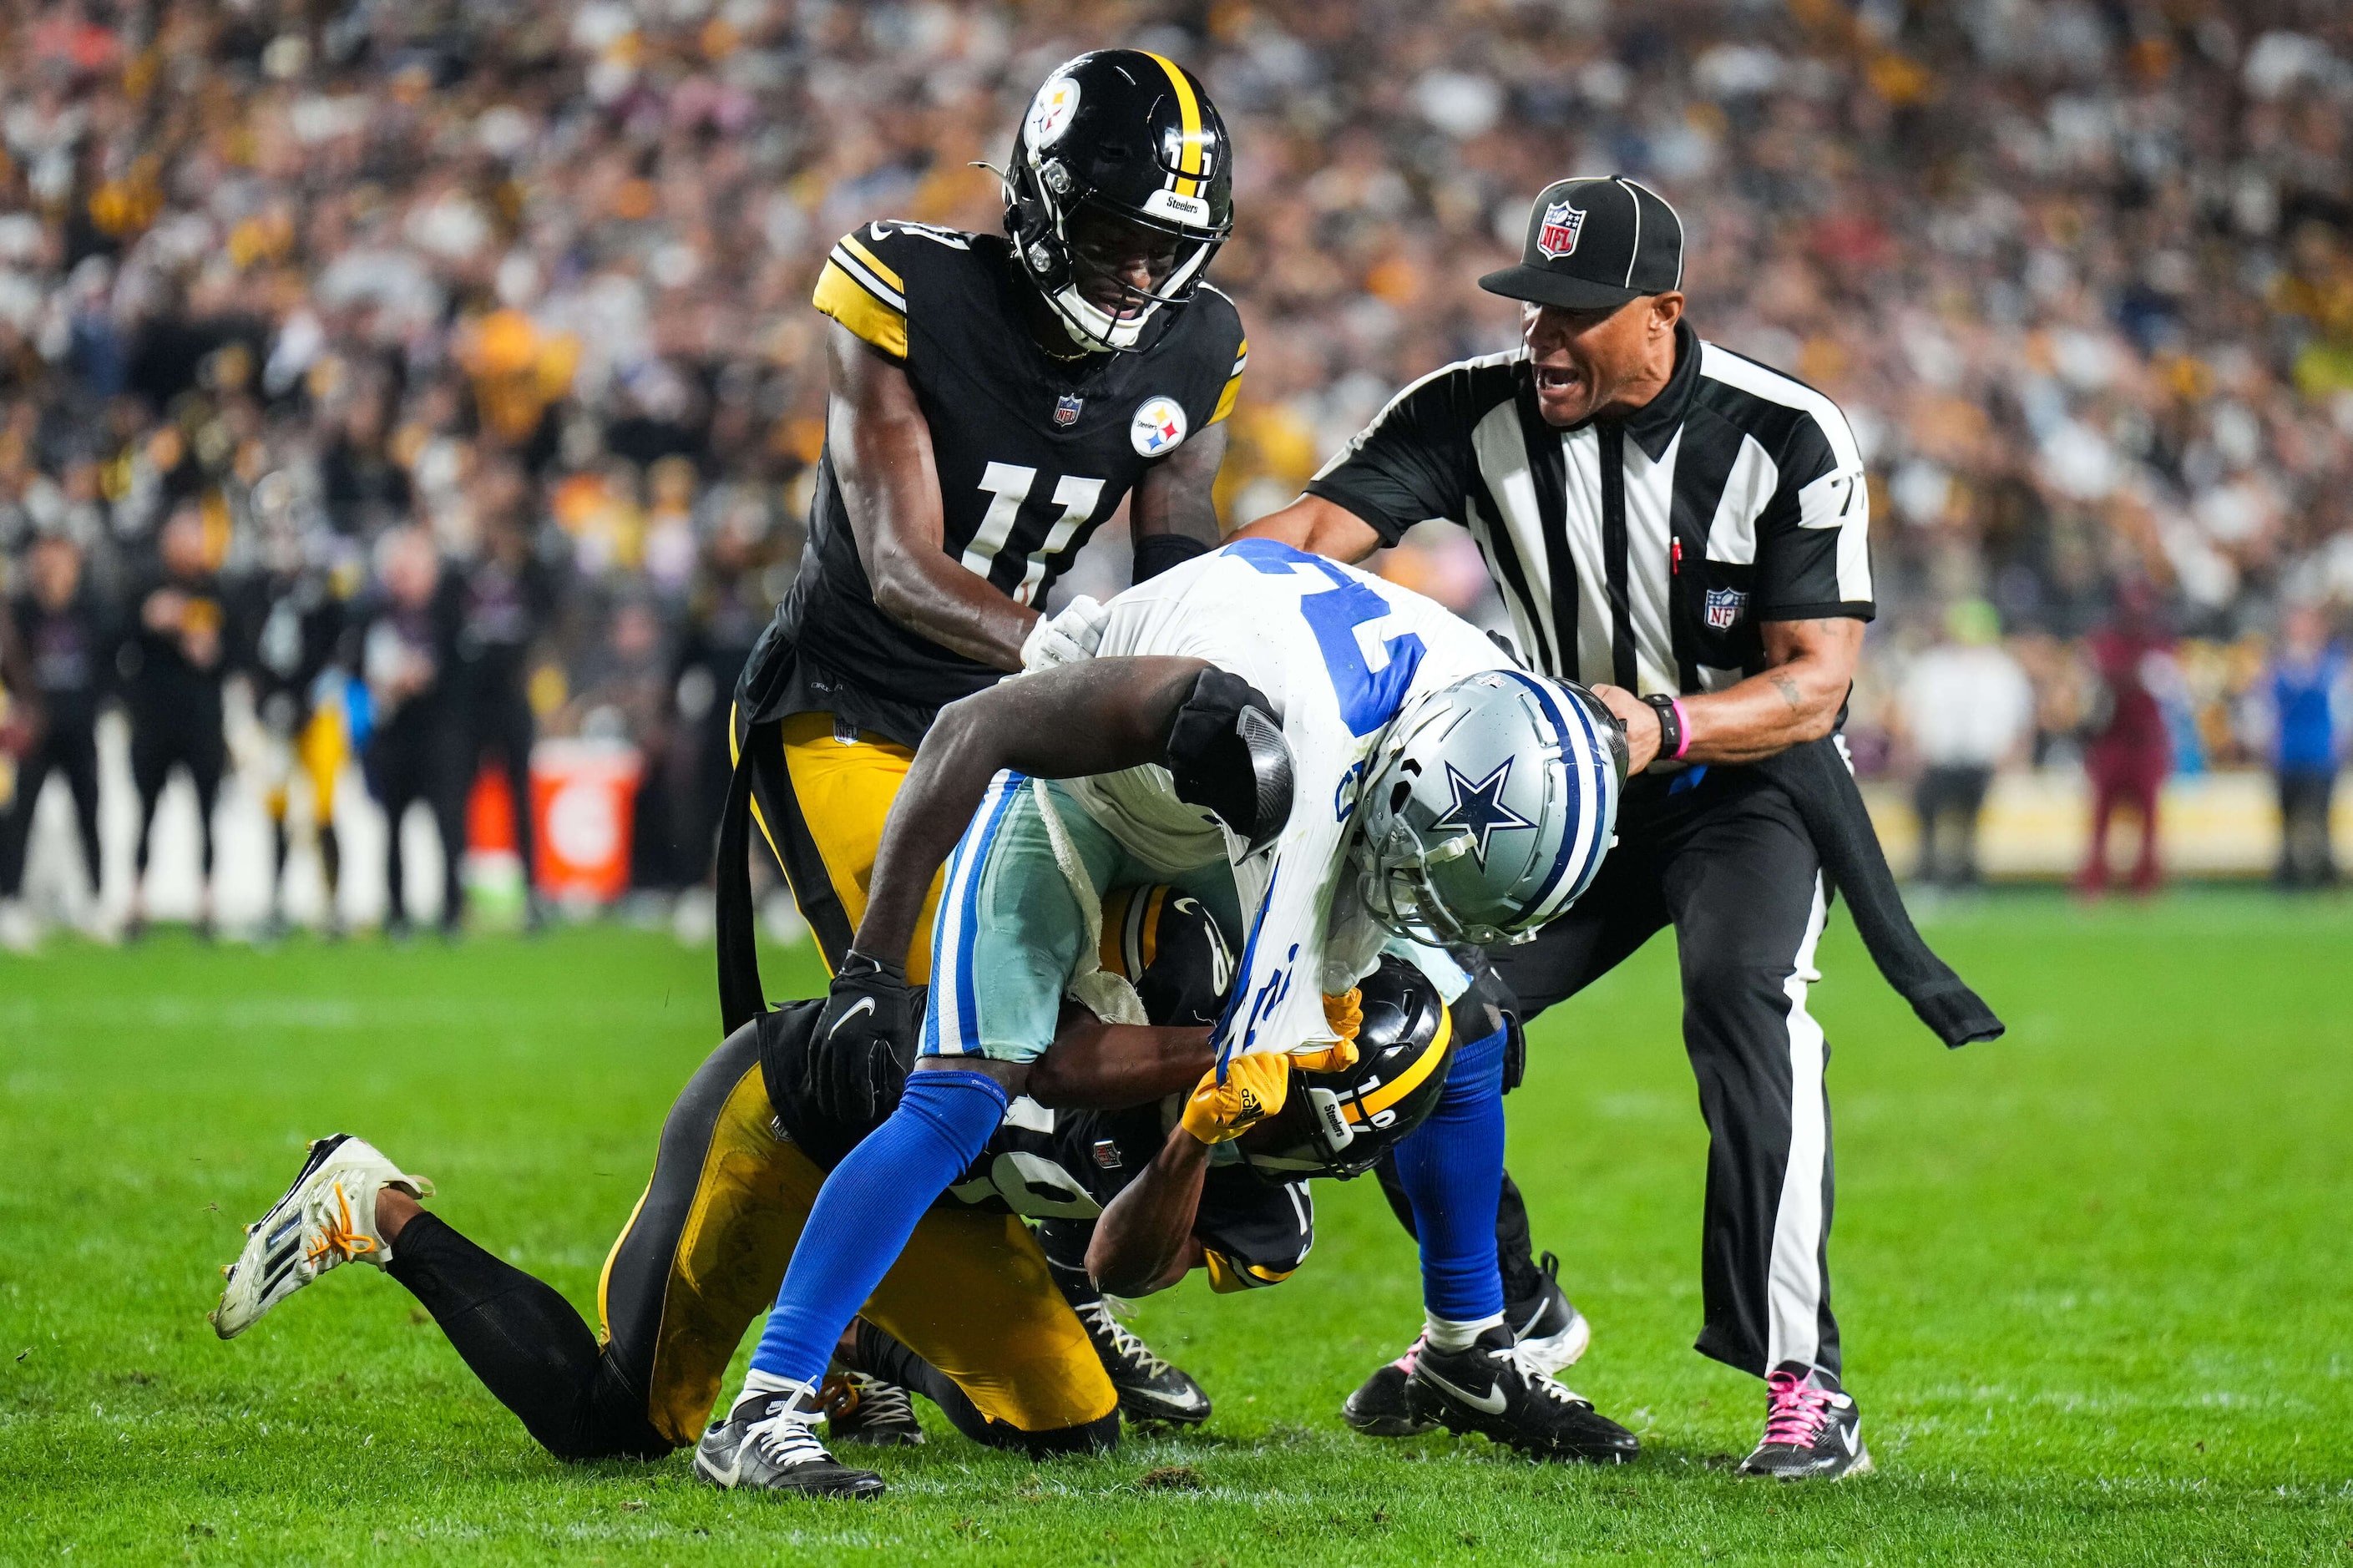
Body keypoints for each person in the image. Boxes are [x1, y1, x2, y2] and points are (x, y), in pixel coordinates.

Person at [700, 539, 1632, 1498]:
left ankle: (1466, 1346)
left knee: (1471, 1024)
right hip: (1090, 793)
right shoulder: (1280, 748)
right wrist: (871, 971)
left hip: (1264, 798)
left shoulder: (1495, 702)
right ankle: (766, 1405)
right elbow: (970, 729)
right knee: (959, 1100)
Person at [1242, 176, 1895, 1479]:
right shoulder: (1465, 411)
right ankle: (1497, 1319)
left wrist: (1667, 724)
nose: (1543, 335)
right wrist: (1193, 625)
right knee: (1393, 1015)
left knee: (1742, 1003)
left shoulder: (1786, 432)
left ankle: (1802, 1383)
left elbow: (1818, 677)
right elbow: (1308, 538)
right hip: (1556, 788)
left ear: (1662, 313)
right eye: (1533, 304)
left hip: (1747, 781)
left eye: (1578, 313)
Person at [209, 893, 1439, 1483]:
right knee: (613, 1424)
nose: (1285, 1132)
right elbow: (1055, 1064)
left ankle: (860, 1341)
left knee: (1071, 1423)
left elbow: (1116, 1256)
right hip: (798, 1112)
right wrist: (1206, 1056)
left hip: (930, 1207)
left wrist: (1186, 1147)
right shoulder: (1162, 970)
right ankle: (372, 1205)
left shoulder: (1258, 1208)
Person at [724, 48, 1245, 1409]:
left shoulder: (1198, 347)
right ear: (1041, 201)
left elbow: (1178, 580)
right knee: (911, 1036)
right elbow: (899, 566)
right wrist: (1087, 663)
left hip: (1009, 722)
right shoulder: (908, 288)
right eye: (1119, 236)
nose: (1141, 273)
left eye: (1165, 246)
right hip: (850, 707)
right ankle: (823, 1344)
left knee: (1112, 1003)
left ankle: (1062, 1285)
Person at [123, 503, 235, 938]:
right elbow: (117, 645)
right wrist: (149, 620)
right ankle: (136, 899)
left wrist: (211, 651)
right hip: (153, 721)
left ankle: (207, 902)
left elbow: (238, 658)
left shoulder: (220, 592)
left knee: (208, 814)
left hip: (203, 722)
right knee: (145, 812)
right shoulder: (146, 589)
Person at [0, 533, 114, 947]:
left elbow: (106, 665)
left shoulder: (92, 609)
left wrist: (95, 708)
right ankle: (9, 903)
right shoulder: (20, 612)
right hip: (34, 733)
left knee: (88, 813)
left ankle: (96, 901)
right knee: (18, 817)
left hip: (79, 727)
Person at [359, 527, 467, 938]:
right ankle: (397, 912)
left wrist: (429, 677)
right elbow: (359, 667)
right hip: (393, 733)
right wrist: (386, 682)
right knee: (393, 824)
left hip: (439, 732)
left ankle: (452, 911)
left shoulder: (450, 615)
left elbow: (464, 675)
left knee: (448, 824)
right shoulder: (375, 614)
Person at [1899, 599, 2032, 888]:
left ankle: (1968, 877)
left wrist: (2010, 757)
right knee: (1927, 811)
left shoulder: (2003, 670)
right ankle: (1928, 874)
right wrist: (1912, 752)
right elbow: (1910, 712)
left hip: (1983, 762)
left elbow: (2019, 719)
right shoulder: (1932, 667)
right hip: (1938, 760)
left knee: (1972, 820)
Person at [2077, 582, 2173, 898]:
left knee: (2148, 819)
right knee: (2101, 817)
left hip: (2144, 743)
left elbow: (2158, 686)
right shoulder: (2112, 644)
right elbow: (2112, 679)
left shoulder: (2156, 645)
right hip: (2113, 742)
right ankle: (2094, 882)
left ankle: (2145, 883)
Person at [2261, 604, 2347, 888]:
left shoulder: (2331, 664)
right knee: (2287, 819)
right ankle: (2289, 876)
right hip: (2288, 752)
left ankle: (2325, 875)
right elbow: (2268, 706)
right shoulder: (2279, 664)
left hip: (2320, 752)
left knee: (2320, 819)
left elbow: (2339, 706)